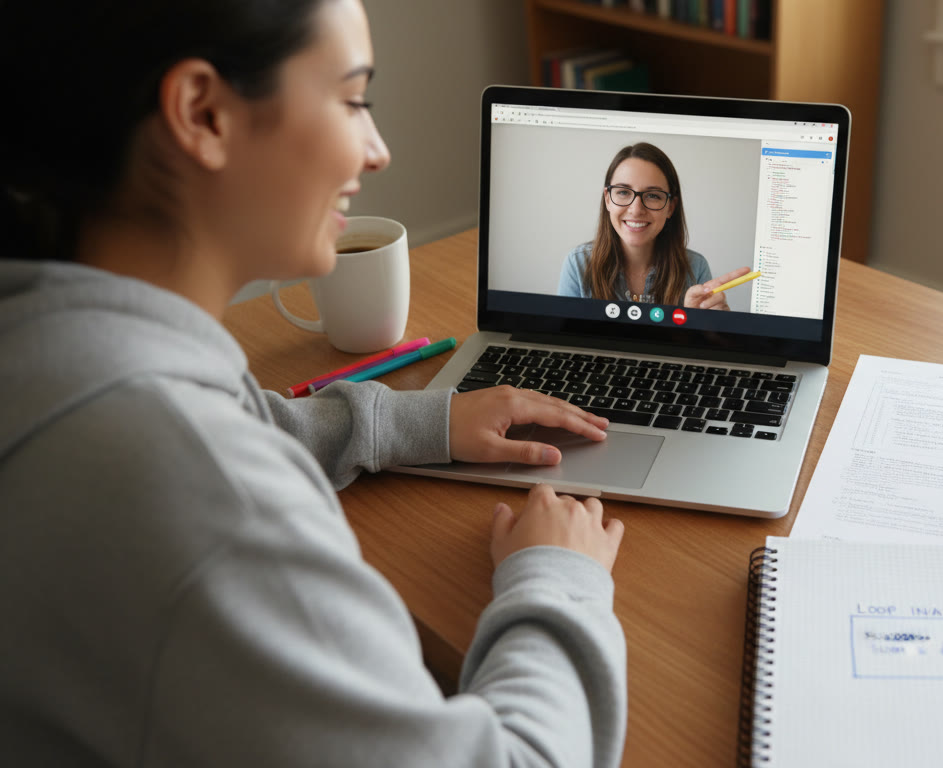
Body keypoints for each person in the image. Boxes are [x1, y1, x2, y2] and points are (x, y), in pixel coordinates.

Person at [0, 1, 627, 766]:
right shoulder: (209, 500)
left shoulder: (51, 338)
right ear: (203, 113)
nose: (377, 150)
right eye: (353, 98)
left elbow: (229, 420)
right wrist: (560, 579)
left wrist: (421, 424)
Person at [557, 142, 751, 309]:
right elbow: (565, 339)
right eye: (623, 192)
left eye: (652, 196)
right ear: (608, 199)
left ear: (670, 207)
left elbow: (698, 347)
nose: (635, 209)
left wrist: (700, 324)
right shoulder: (578, 264)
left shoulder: (696, 267)